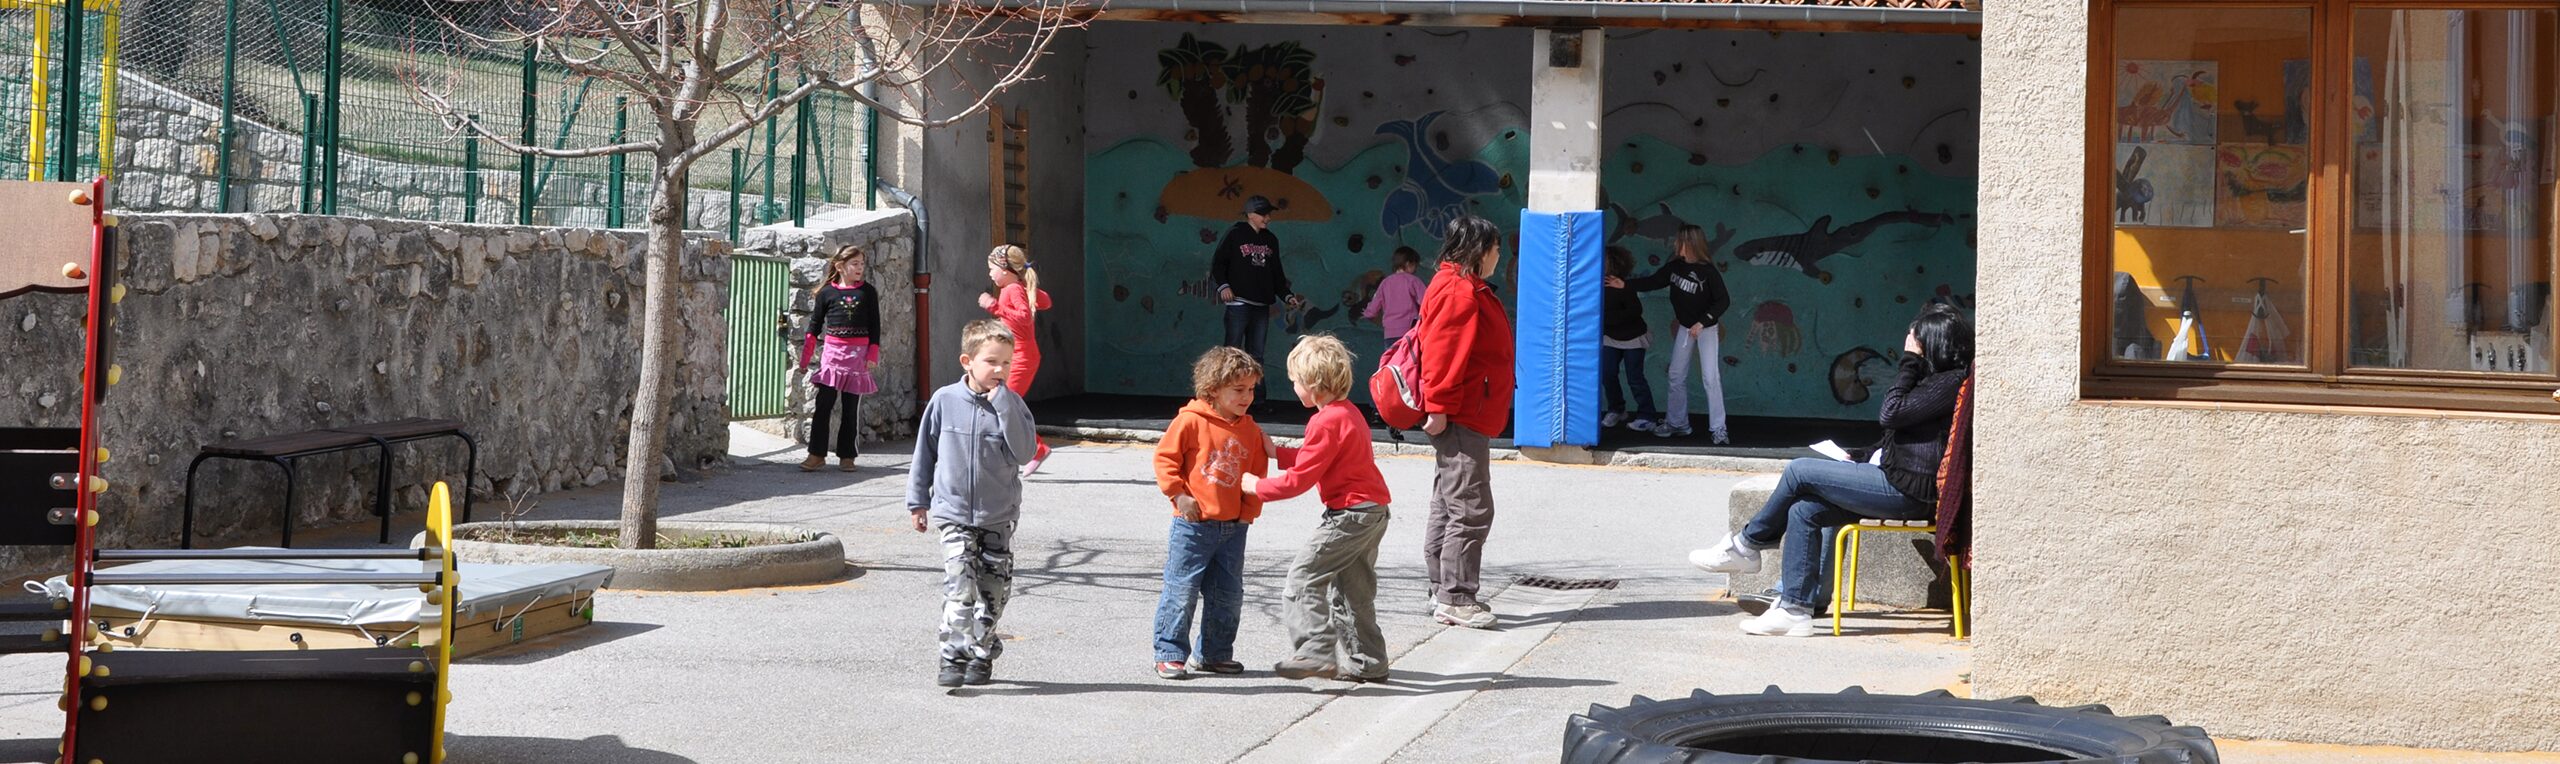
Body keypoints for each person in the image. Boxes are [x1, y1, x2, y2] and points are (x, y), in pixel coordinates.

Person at [1690, 304, 1974, 637]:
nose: (1911, 349)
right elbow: (1902, 436)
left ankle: (1746, 546)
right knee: (1805, 509)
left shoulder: (1948, 382)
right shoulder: (1938, 382)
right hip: (1899, 480)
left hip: (1908, 492)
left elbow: (1892, 413)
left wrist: (1908, 363)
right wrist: (1861, 456)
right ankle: (1796, 608)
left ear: (1935, 346)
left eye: (1917, 344)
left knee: (1799, 472)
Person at [1240, 335, 1393, 683]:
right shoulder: (1347, 413)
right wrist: (1278, 452)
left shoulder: (1323, 421)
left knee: (1303, 579)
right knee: (1354, 593)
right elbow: (1321, 457)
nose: (1293, 387)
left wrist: (1256, 487)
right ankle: (1369, 662)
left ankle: (1315, 652)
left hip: (1349, 515)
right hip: (1373, 511)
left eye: (1295, 381)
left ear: (1312, 384)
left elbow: (1299, 481)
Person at [907, 319, 1040, 686]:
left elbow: (1025, 452)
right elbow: (925, 454)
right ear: (967, 361)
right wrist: (918, 501)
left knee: (993, 594)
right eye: (991, 362)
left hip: (998, 517)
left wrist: (1004, 408)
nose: (999, 370)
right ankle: (951, 656)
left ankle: (982, 650)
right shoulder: (944, 401)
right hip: (953, 513)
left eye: (1006, 363)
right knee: (960, 587)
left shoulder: (1013, 405)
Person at [1413, 214, 1514, 630]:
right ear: (1480, 250)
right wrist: (1437, 406)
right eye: (1495, 249)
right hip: (1463, 412)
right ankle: (1455, 596)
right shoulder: (1459, 291)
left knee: (1449, 502)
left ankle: (1442, 588)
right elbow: (1442, 353)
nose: (1497, 257)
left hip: (1466, 408)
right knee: (1471, 508)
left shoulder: (1456, 283)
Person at [1149, 346, 1270, 680]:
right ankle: (1170, 652)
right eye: (1239, 390)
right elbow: (1165, 459)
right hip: (1193, 526)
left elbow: (1257, 474)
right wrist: (1178, 495)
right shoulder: (1190, 421)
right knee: (1181, 590)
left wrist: (1249, 514)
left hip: (1233, 527)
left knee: (1227, 595)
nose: (1247, 397)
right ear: (1213, 388)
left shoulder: (1251, 429)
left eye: (1251, 389)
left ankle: (1215, 654)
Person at [1617, 225, 1733, 444]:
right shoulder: (1675, 268)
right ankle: (1678, 423)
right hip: (1686, 328)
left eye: (1678, 240)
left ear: (1689, 243)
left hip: (1705, 329)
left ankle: (1719, 428)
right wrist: (1624, 284)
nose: (1674, 244)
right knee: (1676, 375)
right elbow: (1652, 281)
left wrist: (1703, 321)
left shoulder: (1708, 271)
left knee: (1710, 377)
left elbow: (1723, 301)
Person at [1210, 195, 1303, 408]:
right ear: (1251, 215)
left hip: (1261, 305)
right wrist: (1223, 286)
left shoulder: (1271, 239)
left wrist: (1287, 295)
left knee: (1256, 355)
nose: (1267, 218)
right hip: (1239, 303)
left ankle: (1256, 400)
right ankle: (1222, 397)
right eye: (1263, 214)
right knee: (1232, 352)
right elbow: (1218, 263)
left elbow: (1277, 274)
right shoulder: (1235, 233)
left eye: (1268, 214)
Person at [800, 245, 881, 471]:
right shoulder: (827, 293)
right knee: (823, 403)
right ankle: (816, 454)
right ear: (840, 266)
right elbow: (815, 325)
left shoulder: (868, 292)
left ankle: (847, 456)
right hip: (832, 356)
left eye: (862, 264)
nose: (860, 268)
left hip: (857, 357)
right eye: (855, 264)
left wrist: (872, 353)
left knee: (850, 406)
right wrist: (805, 358)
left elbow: (875, 325)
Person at [978, 244, 1055, 475]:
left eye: (992, 268)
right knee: (1003, 403)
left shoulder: (1011, 289)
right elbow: (1046, 301)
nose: (989, 273)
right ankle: (1028, 449)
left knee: (1005, 404)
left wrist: (994, 306)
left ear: (1004, 268)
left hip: (1021, 357)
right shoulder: (1015, 287)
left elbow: (1022, 317)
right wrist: (1029, 289)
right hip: (1015, 357)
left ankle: (1037, 449)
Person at [1361, 245, 1428, 440]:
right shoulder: (1413, 281)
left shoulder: (1385, 283)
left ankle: (1378, 410)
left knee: (1388, 372)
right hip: (1410, 336)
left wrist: (1366, 314)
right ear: (1408, 264)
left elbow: (1373, 309)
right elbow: (1427, 304)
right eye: (1414, 265)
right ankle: (1412, 408)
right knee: (1411, 372)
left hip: (1389, 335)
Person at [1597, 246, 1660, 434]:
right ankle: (1617, 409)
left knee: (1635, 377)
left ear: (1614, 264)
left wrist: (1608, 319)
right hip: (1610, 337)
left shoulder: (1622, 285)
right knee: (1607, 373)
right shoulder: (1595, 283)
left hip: (1633, 337)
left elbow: (1634, 311)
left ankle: (1647, 415)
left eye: (1605, 259)